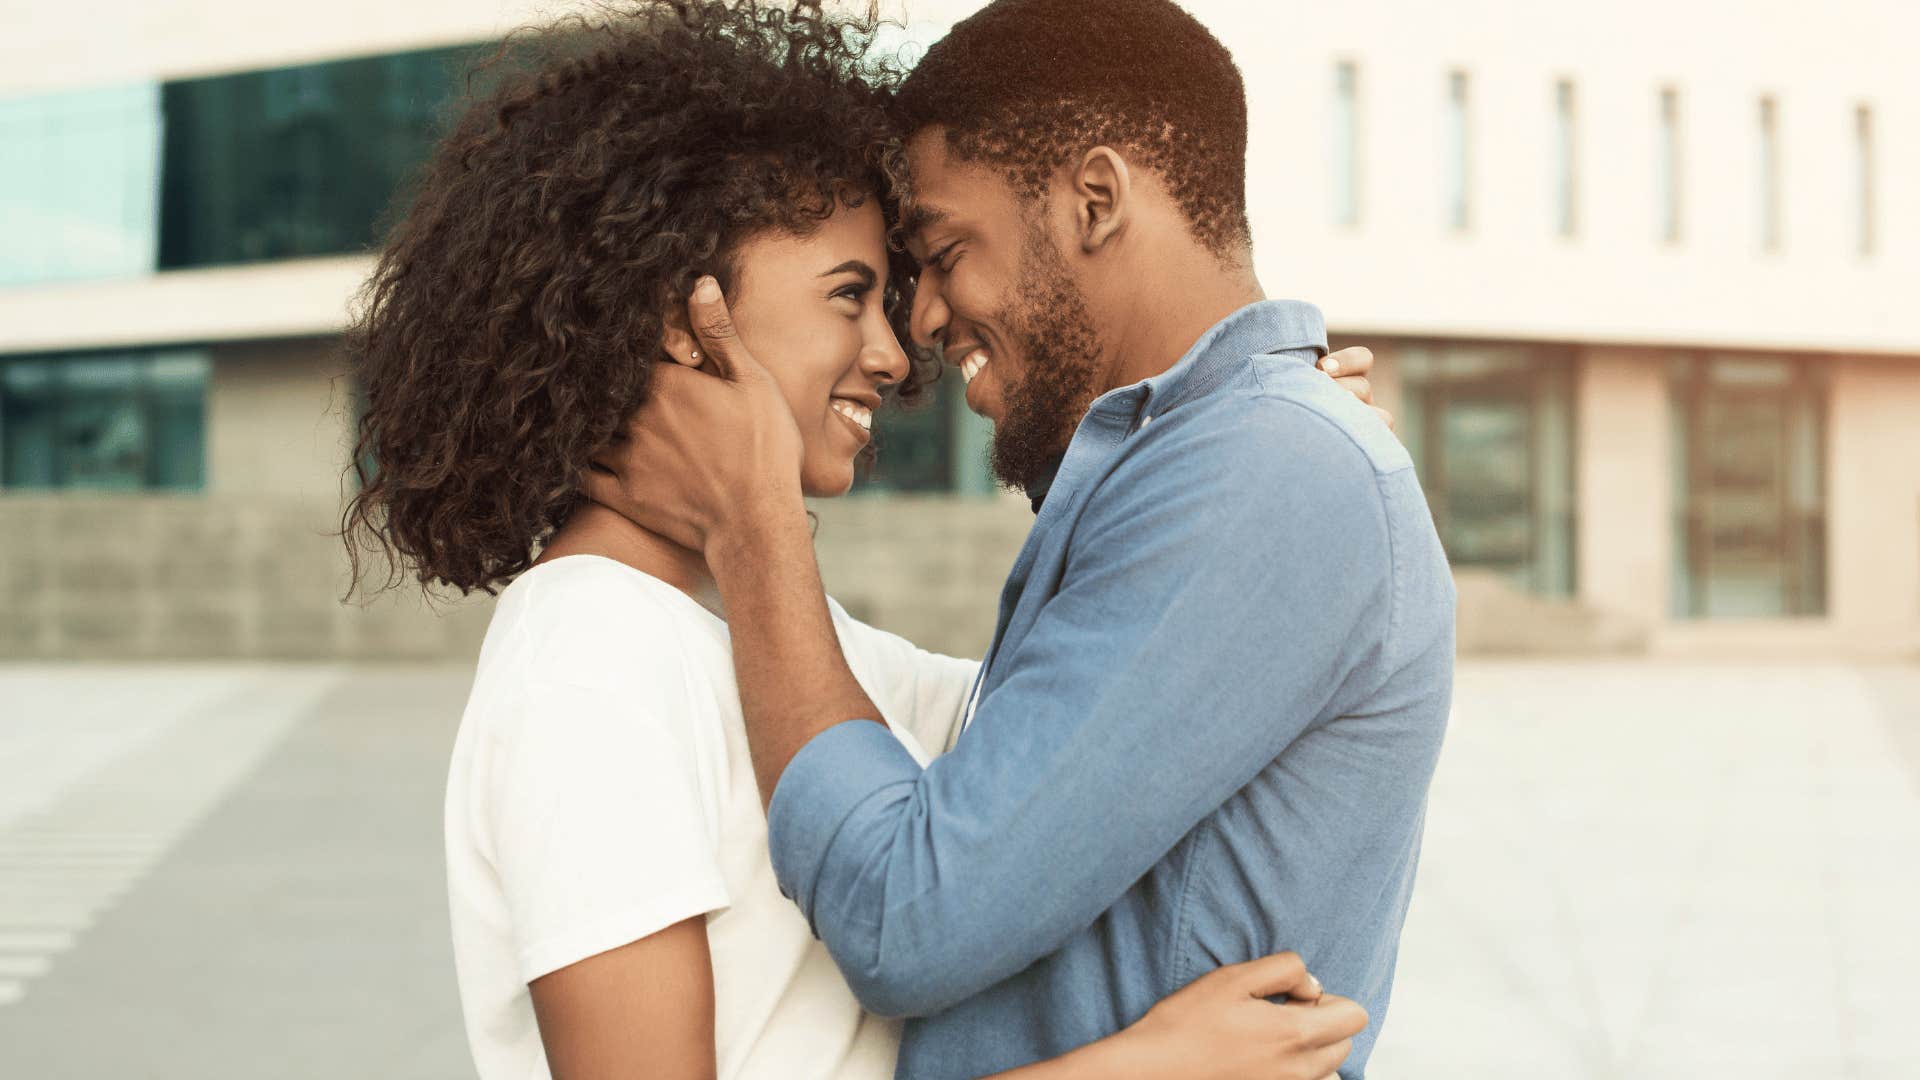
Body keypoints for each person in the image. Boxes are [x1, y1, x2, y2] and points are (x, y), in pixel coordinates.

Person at [340, 2, 1384, 1077]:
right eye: (852, 295)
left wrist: (1257, 455)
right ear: (677, 314)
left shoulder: (747, 629)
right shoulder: (586, 664)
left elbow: (1088, 717)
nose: (895, 351)